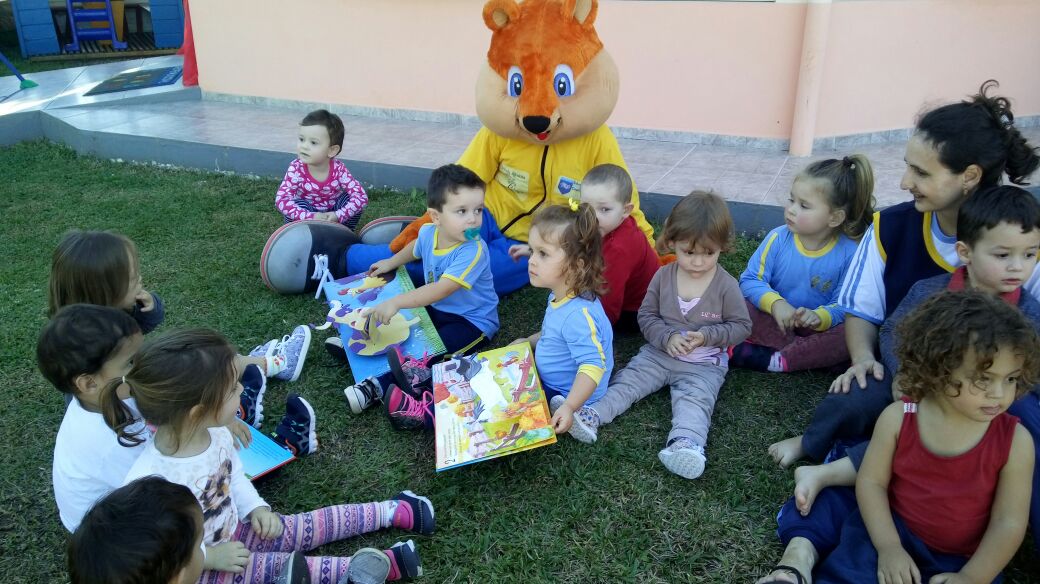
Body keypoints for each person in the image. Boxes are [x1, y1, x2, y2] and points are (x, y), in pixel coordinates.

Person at [768, 80, 1040, 467]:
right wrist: (866, 359)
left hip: (992, 386)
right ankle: (820, 444)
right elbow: (863, 312)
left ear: (969, 176)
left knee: (1025, 420)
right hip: (908, 375)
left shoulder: (1022, 241)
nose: (904, 182)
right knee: (857, 395)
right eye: (908, 167)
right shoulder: (890, 227)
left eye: (921, 172)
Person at [786, 186, 1040, 553]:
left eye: (1030, 254)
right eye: (1003, 255)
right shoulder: (931, 290)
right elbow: (893, 329)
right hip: (914, 384)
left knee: (1005, 422)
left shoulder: (1029, 313)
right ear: (965, 252)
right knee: (857, 394)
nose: (1018, 266)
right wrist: (903, 371)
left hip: (978, 403)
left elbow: (1028, 370)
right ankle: (812, 442)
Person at [108, 329, 431, 583]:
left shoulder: (216, 432)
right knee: (280, 567)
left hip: (239, 528)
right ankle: (383, 567)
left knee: (303, 526)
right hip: (205, 570)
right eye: (232, 389)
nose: (241, 391)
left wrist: (256, 507)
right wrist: (210, 558)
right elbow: (160, 556)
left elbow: (232, 477)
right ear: (197, 412)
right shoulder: (149, 484)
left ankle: (393, 511)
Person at [757, 291, 1037, 584]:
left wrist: (972, 576)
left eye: (1011, 378)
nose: (999, 393)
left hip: (965, 558)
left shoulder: (1015, 442)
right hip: (891, 532)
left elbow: (1008, 522)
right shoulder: (900, 418)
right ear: (939, 367)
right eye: (983, 379)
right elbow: (872, 483)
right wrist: (889, 548)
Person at [563, 192, 751, 480]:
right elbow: (647, 316)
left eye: (709, 253)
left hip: (703, 366)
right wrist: (667, 337)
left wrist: (706, 336)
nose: (698, 262)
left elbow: (741, 326)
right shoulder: (663, 277)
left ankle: (686, 444)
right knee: (628, 381)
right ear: (672, 242)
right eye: (689, 253)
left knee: (695, 401)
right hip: (658, 355)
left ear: (722, 248)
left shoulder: (726, 285)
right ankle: (593, 414)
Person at [48, 229, 312, 420]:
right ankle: (273, 365)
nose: (140, 280)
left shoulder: (99, 319)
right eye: (131, 279)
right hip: (145, 398)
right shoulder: (86, 348)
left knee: (204, 355)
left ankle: (253, 368)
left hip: (142, 383)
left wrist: (148, 307)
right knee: (209, 363)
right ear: (103, 292)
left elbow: (146, 329)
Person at [339, 164, 500, 428]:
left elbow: (441, 289)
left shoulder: (473, 250)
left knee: (431, 357)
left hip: (472, 322)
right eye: (462, 211)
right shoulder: (428, 232)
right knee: (406, 331)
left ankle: (375, 387)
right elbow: (415, 248)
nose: (473, 219)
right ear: (436, 217)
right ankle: (357, 344)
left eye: (478, 210)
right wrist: (391, 262)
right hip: (437, 309)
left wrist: (396, 301)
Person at [732, 155, 874, 372]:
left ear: (835, 218)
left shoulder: (850, 253)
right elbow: (750, 280)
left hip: (817, 328)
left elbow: (845, 305)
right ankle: (808, 355)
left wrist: (819, 317)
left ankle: (779, 359)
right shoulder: (778, 238)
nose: (791, 209)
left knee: (854, 332)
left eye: (804, 206)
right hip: (775, 320)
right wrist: (776, 304)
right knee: (737, 303)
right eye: (792, 200)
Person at [509, 163, 659, 330]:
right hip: (616, 289)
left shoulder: (619, 249)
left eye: (604, 209)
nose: (593, 217)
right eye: (587, 207)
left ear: (626, 210)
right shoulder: (607, 225)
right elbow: (570, 244)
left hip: (634, 310)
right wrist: (535, 250)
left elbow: (608, 304)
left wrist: (589, 327)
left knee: (572, 297)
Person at [41, 304, 147, 532]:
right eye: (130, 362)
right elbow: (160, 486)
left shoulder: (104, 398)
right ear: (89, 383)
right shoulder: (108, 444)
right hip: (106, 534)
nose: (143, 365)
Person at [513, 201, 614, 437]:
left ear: (576, 266)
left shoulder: (578, 315)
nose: (532, 260)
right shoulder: (561, 295)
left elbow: (592, 366)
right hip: (557, 383)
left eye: (543, 254)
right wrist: (528, 342)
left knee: (507, 404)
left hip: (568, 391)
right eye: (532, 251)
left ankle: (577, 412)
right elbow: (554, 333)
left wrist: (569, 406)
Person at [275, 109, 368, 229]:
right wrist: (311, 216)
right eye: (301, 139)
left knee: (349, 199)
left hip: (333, 215)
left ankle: (344, 232)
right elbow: (281, 200)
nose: (304, 146)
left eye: (313, 142)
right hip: (307, 214)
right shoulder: (296, 168)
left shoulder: (339, 169)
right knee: (297, 203)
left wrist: (338, 215)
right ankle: (302, 233)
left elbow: (361, 196)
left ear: (332, 150)